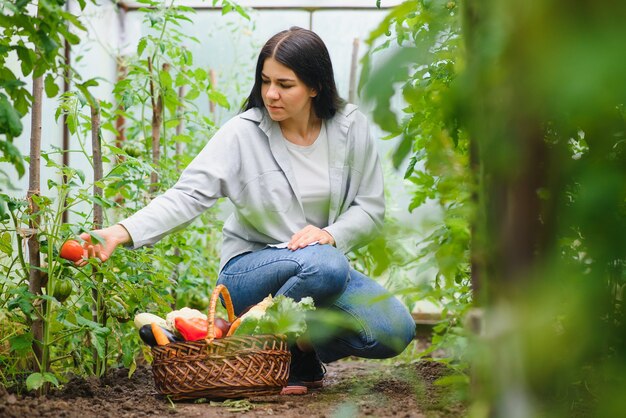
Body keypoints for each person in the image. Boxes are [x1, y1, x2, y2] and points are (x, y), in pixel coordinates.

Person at [78, 27, 416, 395]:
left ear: (315, 87)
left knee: (395, 329)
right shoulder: (242, 133)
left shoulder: (350, 128)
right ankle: (276, 350)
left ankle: (296, 347)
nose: (271, 94)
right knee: (327, 264)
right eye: (266, 81)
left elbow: (369, 208)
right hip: (249, 274)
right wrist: (120, 232)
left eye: (285, 85)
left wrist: (331, 234)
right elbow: (187, 195)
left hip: (320, 273)